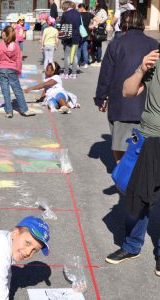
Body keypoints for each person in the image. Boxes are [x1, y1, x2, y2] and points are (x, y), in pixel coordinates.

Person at [105, 48, 160, 275]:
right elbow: (128, 91)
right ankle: (131, 246)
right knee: (136, 196)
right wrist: (141, 69)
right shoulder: (154, 60)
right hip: (147, 138)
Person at [94, 10, 158, 163]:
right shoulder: (154, 44)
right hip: (146, 104)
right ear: (141, 24)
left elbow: (106, 74)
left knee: (121, 149)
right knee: (144, 150)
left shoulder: (116, 44)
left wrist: (101, 98)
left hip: (121, 104)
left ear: (124, 24)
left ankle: (123, 180)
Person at [0, 25, 36, 118]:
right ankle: (24, 110)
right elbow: (19, 60)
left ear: (4, 34)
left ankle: (9, 111)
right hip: (12, 70)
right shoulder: (16, 46)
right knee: (18, 90)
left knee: (5, 91)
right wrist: (19, 71)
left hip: (2, 70)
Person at [59, 1, 81, 79]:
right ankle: (74, 73)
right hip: (76, 36)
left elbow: (61, 25)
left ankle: (66, 73)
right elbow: (79, 24)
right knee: (75, 55)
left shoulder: (65, 14)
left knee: (67, 55)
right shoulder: (78, 13)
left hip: (68, 36)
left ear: (66, 6)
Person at [89, 0, 108, 66]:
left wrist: (99, 22)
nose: (95, 3)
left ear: (99, 3)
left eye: (96, 2)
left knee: (98, 44)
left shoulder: (102, 10)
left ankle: (98, 60)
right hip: (94, 28)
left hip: (99, 29)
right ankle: (95, 59)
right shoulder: (97, 10)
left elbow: (105, 17)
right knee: (95, 44)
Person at [77, 4, 94, 68]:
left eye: (79, 8)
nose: (78, 10)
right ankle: (86, 63)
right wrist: (92, 26)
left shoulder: (79, 15)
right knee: (85, 49)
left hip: (80, 33)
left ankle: (78, 63)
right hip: (87, 33)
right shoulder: (89, 14)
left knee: (79, 49)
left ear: (82, 8)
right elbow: (98, 20)